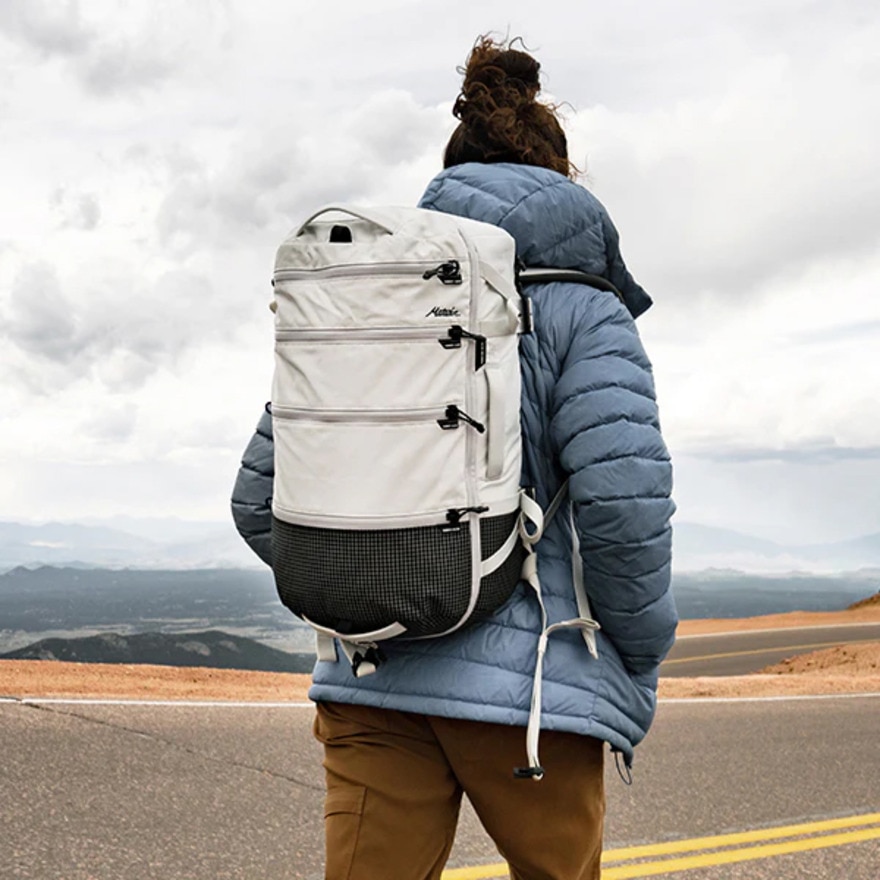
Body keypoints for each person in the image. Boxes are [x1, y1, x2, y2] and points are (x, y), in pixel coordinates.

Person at [231, 35, 676, 880]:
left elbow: (260, 503)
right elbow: (626, 505)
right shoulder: (589, 312)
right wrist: (638, 651)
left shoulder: (380, 303)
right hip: (536, 694)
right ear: (562, 175)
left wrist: (377, 582)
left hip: (370, 681)